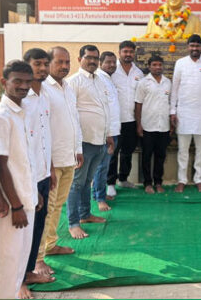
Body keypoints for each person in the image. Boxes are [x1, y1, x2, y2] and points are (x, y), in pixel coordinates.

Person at [0, 60, 42, 299]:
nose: (23, 86)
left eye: (27, 81)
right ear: (4, 82)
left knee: (21, 259)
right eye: (17, 81)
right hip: (14, 204)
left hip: (27, 196)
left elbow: (25, 159)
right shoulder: (2, 115)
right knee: (8, 259)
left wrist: (34, 192)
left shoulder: (23, 112)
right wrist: (16, 205)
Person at [35, 47, 83, 276]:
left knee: (57, 207)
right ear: (48, 63)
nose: (64, 66)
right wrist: (49, 164)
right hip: (50, 163)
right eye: (59, 62)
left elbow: (73, 119)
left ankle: (51, 244)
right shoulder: (41, 90)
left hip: (69, 158)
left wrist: (78, 148)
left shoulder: (68, 88)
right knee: (46, 209)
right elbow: (41, 129)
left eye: (67, 62)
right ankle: (37, 259)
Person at [67, 45, 115, 239]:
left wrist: (108, 135)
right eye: (89, 58)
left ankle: (86, 214)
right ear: (80, 59)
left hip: (99, 139)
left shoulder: (100, 81)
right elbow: (70, 115)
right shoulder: (73, 82)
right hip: (83, 142)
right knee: (77, 183)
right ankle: (73, 222)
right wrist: (76, 145)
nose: (93, 61)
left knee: (88, 181)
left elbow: (105, 109)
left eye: (95, 58)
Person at [20, 49, 56, 296]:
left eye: (45, 64)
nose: (42, 68)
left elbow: (45, 136)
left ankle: (30, 269)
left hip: (43, 172)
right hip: (25, 178)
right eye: (37, 64)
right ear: (26, 66)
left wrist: (51, 167)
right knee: (21, 233)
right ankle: (18, 280)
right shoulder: (22, 98)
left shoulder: (44, 96)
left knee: (38, 227)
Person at [170, 34, 201, 192]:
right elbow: (175, 89)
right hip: (183, 112)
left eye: (197, 46)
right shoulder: (180, 63)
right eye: (192, 46)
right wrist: (173, 111)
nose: (194, 48)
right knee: (182, 150)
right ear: (188, 47)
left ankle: (199, 179)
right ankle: (182, 180)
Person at [108, 41, 144, 190]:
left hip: (131, 120)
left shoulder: (138, 73)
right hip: (115, 121)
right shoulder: (111, 71)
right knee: (113, 153)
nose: (128, 54)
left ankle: (123, 179)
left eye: (131, 51)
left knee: (127, 152)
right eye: (125, 51)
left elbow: (140, 99)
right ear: (119, 52)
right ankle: (110, 183)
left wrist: (138, 122)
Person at [135, 54, 172, 194]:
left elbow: (170, 103)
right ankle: (147, 183)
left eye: (160, 65)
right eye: (154, 65)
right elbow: (138, 104)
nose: (157, 67)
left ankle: (158, 182)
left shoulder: (168, 82)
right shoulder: (143, 83)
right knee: (146, 156)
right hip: (147, 126)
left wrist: (171, 124)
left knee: (160, 156)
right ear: (149, 67)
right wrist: (139, 125)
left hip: (163, 126)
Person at [95, 51, 121, 209]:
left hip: (113, 130)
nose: (112, 65)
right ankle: (100, 198)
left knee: (104, 165)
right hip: (106, 132)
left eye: (113, 62)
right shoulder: (99, 80)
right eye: (108, 62)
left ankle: (98, 194)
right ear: (101, 63)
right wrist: (108, 133)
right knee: (102, 166)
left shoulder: (108, 79)